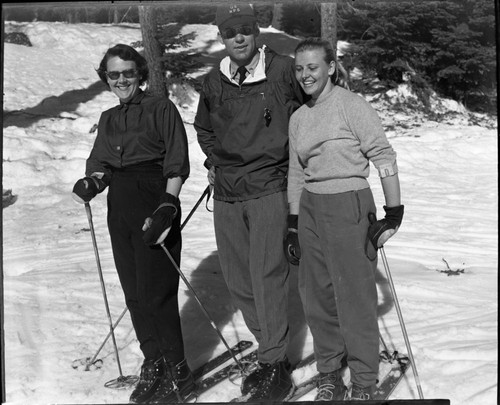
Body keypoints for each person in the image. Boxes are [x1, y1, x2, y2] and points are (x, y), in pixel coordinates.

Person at [194, 3, 305, 401]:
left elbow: (316, 98)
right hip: (226, 193)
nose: (238, 37)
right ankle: (269, 347)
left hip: (269, 188)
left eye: (245, 29)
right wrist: (214, 160)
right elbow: (204, 128)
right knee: (239, 282)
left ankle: (274, 362)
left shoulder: (283, 70)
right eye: (230, 31)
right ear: (221, 36)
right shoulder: (214, 80)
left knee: (267, 277)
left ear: (256, 31)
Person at [72, 44, 193, 404]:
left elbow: (176, 159)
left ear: (140, 73)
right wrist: (93, 182)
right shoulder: (109, 118)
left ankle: (179, 369)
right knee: (135, 294)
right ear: (106, 78)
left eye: (128, 72)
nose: (121, 80)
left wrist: (168, 205)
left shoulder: (161, 108)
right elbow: (102, 163)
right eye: (114, 74)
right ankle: (153, 362)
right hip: (119, 204)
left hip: (153, 198)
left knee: (157, 292)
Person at [285, 37, 404, 401]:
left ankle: (365, 382)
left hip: (350, 204)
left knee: (354, 298)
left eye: (313, 67)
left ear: (331, 67)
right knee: (316, 298)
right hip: (310, 210)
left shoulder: (352, 106)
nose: (305, 75)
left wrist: (394, 212)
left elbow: (383, 154)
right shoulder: (299, 118)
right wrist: (292, 224)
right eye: (300, 68)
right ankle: (329, 373)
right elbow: (295, 173)